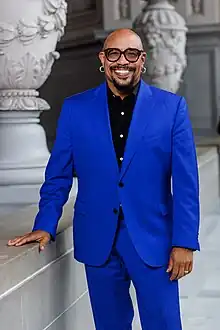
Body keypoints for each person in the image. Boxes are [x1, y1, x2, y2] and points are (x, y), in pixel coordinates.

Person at [8, 29, 200, 330]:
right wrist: (45, 224)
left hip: (155, 241)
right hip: (99, 241)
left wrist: (185, 242)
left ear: (142, 60)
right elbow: (58, 176)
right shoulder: (75, 110)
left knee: (164, 324)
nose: (122, 61)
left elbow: (187, 183)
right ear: (103, 59)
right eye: (114, 53)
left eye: (131, 54)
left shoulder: (172, 108)